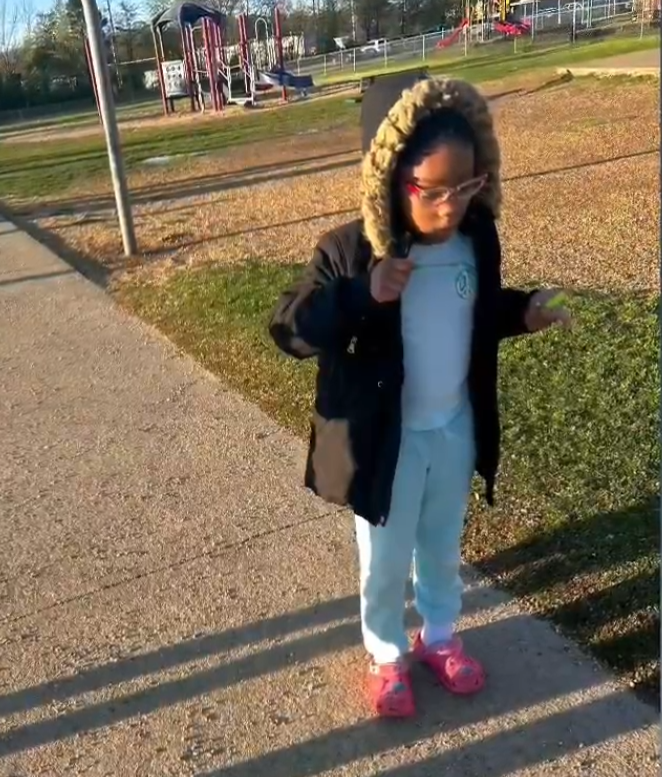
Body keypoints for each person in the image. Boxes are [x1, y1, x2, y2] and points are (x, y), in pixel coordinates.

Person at [268, 76, 571, 718]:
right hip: (387, 442)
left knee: (440, 542)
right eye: (431, 191)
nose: (450, 206)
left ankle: (438, 636)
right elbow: (290, 328)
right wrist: (362, 292)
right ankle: (385, 654)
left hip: (452, 428)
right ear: (389, 177)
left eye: (466, 186)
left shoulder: (474, 240)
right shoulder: (351, 251)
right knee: (385, 556)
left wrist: (524, 313)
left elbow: (479, 313)